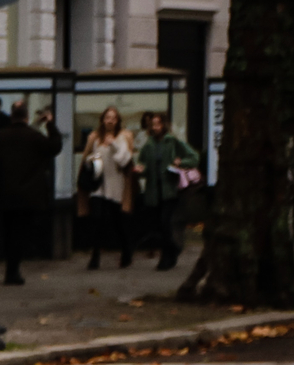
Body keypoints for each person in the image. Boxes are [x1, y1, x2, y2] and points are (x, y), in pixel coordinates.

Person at [0, 104, 63, 285]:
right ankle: (13, 270)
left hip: (4, 194)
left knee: (8, 232)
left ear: (11, 116)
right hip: (29, 195)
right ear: (27, 117)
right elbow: (55, 146)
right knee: (20, 233)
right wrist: (50, 124)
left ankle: (9, 268)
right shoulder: (34, 137)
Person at [133, 109, 202, 272]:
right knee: (158, 225)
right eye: (153, 125)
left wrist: (180, 162)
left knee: (166, 222)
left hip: (170, 189)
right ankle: (172, 251)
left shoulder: (173, 142)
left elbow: (194, 157)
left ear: (164, 125)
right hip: (153, 190)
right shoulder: (148, 145)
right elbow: (143, 166)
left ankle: (167, 256)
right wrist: (140, 170)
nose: (155, 127)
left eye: (158, 124)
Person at [78, 106, 135, 270]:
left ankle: (126, 252)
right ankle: (95, 256)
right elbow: (89, 157)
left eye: (113, 118)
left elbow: (125, 160)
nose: (109, 121)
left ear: (117, 121)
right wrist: (91, 161)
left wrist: (114, 145)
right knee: (96, 219)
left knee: (118, 221)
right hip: (98, 186)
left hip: (115, 186)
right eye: (107, 117)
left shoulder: (122, 138)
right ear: (102, 120)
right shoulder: (95, 138)